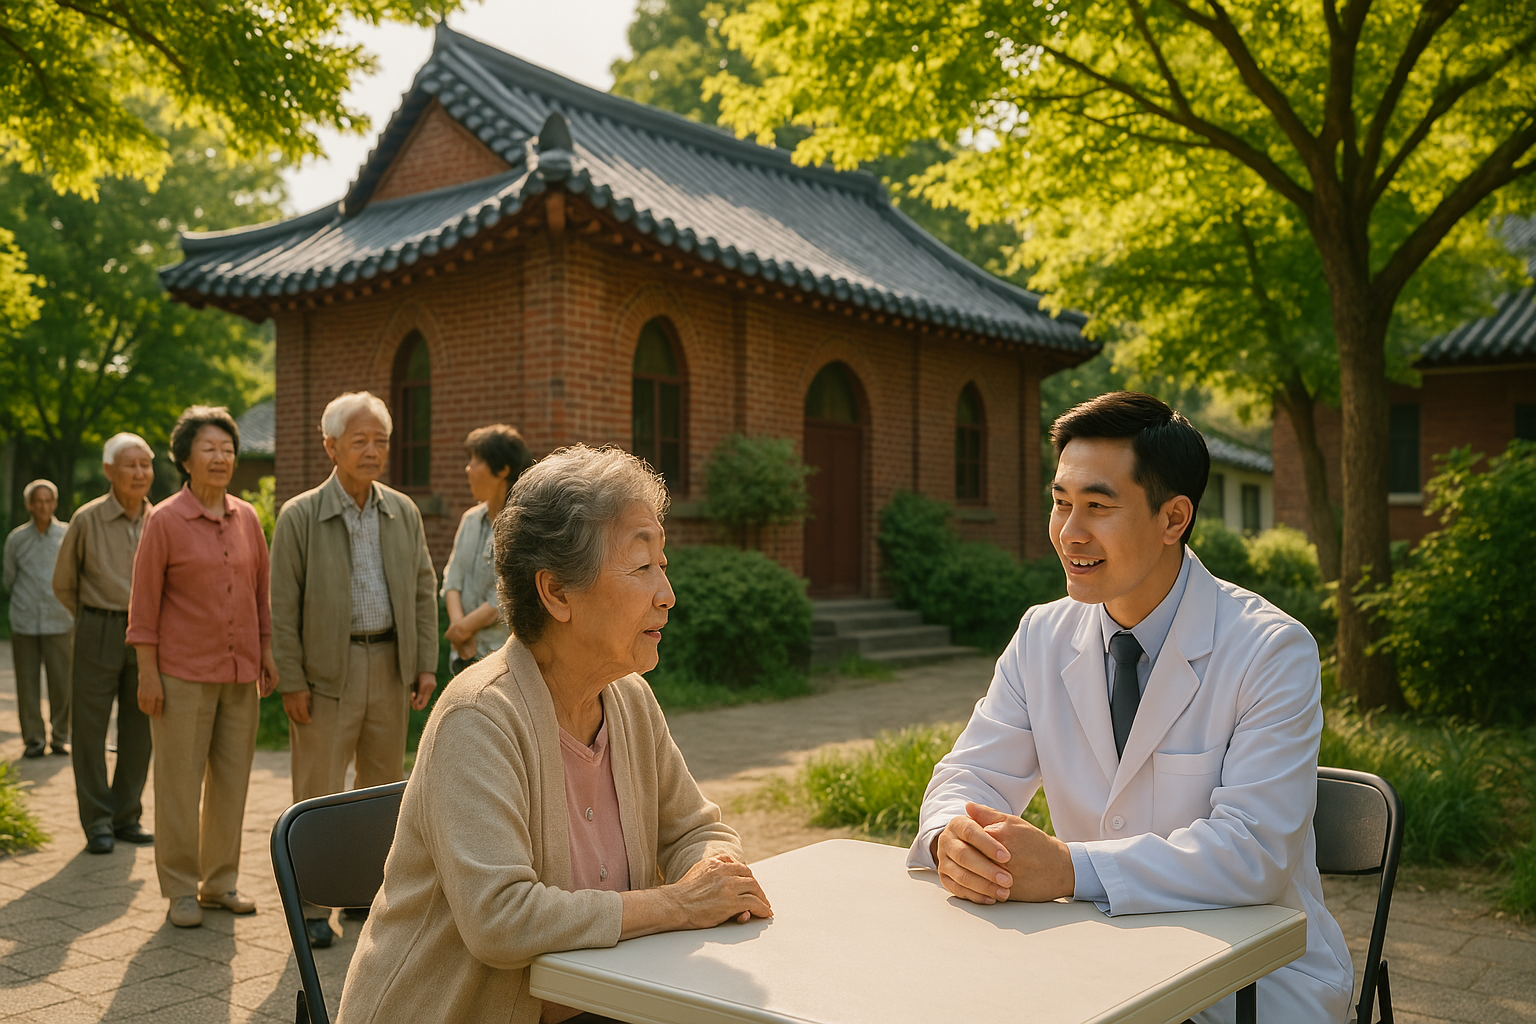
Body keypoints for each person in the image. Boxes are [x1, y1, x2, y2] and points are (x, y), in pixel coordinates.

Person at [910, 392, 1352, 1024]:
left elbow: (1252, 853)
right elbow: (968, 777)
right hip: (1096, 962)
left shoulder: (1270, 649)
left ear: (1174, 518)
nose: (1069, 532)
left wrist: (1068, 869)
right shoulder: (1041, 635)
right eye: (1060, 503)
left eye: (1097, 506)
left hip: (1244, 982)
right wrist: (953, 838)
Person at [335, 445, 772, 1024]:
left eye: (663, 565)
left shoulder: (628, 700)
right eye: (643, 567)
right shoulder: (480, 718)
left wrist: (710, 869)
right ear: (557, 593)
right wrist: (672, 905)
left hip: (601, 1007)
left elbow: (696, 827)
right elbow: (501, 919)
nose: (667, 593)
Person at [269, 391, 439, 949]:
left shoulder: (402, 510)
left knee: (380, 790)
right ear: (331, 446)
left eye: (381, 441)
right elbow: (282, 606)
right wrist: (290, 679)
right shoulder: (300, 515)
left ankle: (366, 895)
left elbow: (422, 590)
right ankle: (313, 905)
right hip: (324, 674)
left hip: (389, 665)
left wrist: (424, 665)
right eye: (360, 440)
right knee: (317, 791)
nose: (372, 451)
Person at [128, 406, 278, 928]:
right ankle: (179, 890)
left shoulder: (247, 519)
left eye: (228, 449)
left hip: (240, 676)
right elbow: (143, 607)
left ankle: (220, 883)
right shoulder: (164, 520)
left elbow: (262, 595)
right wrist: (148, 673)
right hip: (180, 678)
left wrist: (267, 652)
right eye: (209, 449)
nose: (221, 458)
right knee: (177, 784)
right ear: (185, 458)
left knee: (231, 784)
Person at [53, 433, 157, 855]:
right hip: (97, 628)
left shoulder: (161, 519)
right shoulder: (87, 519)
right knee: (91, 731)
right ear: (109, 471)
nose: (139, 473)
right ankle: (97, 821)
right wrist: (94, 619)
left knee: (141, 729)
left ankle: (126, 815)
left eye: (145, 464)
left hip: (148, 636)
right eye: (129, 465)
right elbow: (63, 583)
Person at [443, 424, 534, 675]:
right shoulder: (470, 519)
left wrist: (465, 628)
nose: (468, 468)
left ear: (503, 469)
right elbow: (453, 579)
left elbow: (513, 592)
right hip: (463, 652)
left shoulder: (525, 525)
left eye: (476, 460)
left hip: (504, 660)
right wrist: (459, 626)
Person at [4, 480, 73, 758]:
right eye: (38, 501)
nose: (43, 506)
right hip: (25, 621)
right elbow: (9, 579)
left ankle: (60, 737)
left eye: (48, 501)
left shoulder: (67, 534)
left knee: (62, 683)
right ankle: (33, 740)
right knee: (27, 683)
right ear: (29, 505)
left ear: (54, 504)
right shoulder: (16, 539)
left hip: (59, 620)